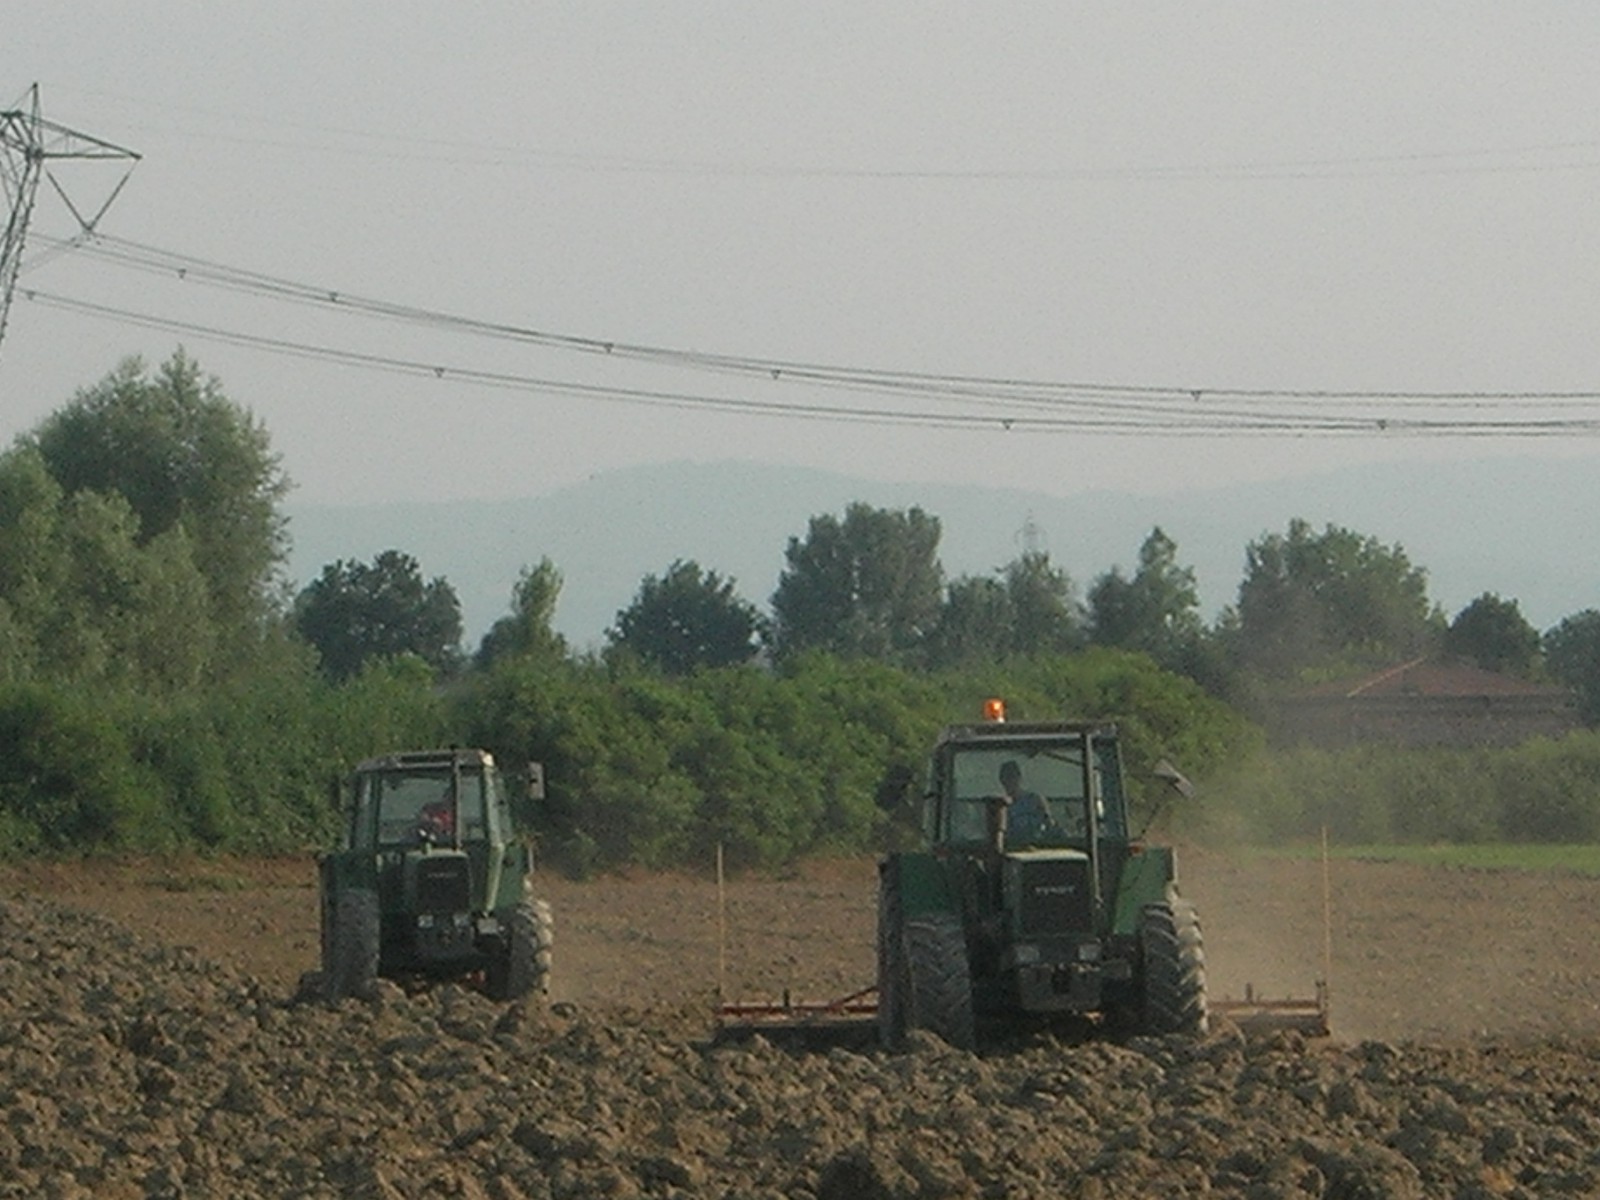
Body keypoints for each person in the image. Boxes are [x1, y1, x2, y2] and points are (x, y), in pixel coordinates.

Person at [998, 760, 1053, 844]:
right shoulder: (1000, 806)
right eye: (1006, 777)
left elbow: (1049, 824)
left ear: (1019, 777)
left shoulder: (1035, 800)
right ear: (1002, 780)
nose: (1010, 781)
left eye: (1013, 776)